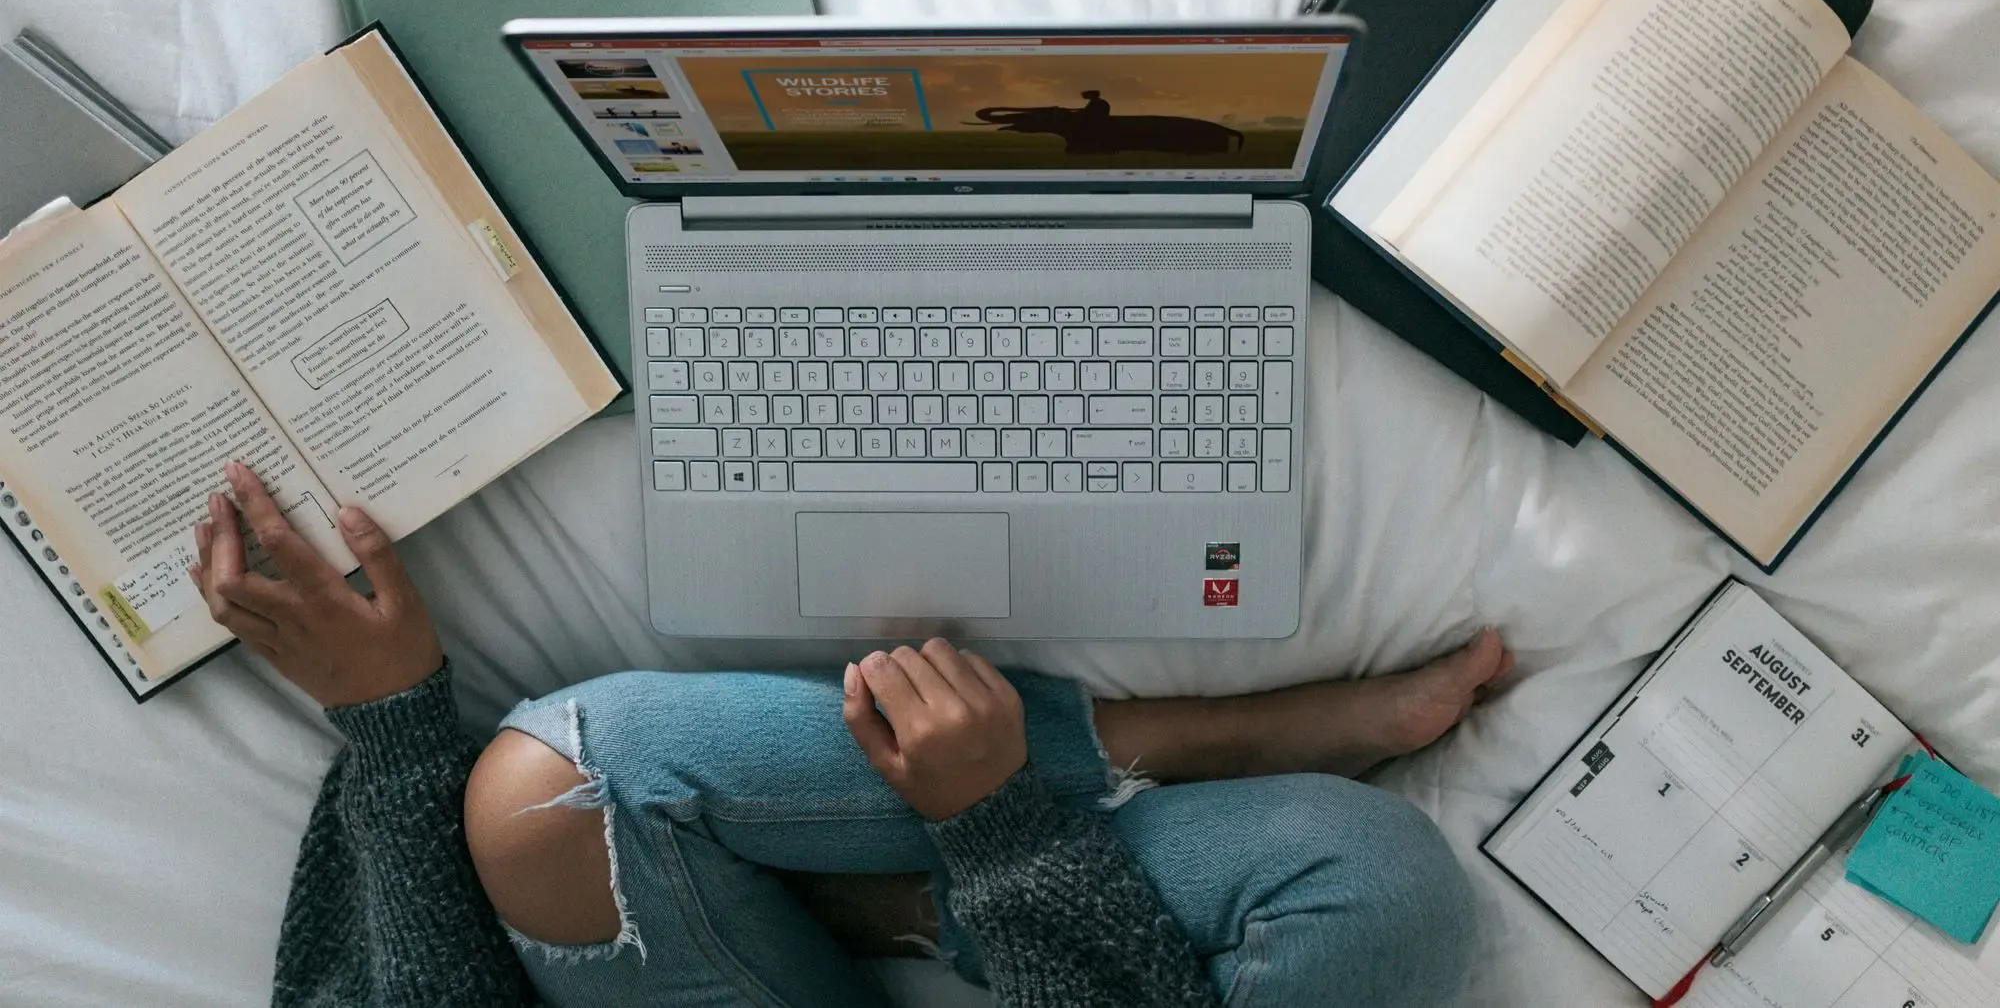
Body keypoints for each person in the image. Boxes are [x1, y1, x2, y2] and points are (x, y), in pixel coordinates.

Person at [191, 462, 1508, 1007]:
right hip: (1021, 885)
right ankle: (950, 869)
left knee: (561, 775)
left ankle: (1127, 747)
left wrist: (393, 715)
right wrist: (995, 830)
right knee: (1378, 880)